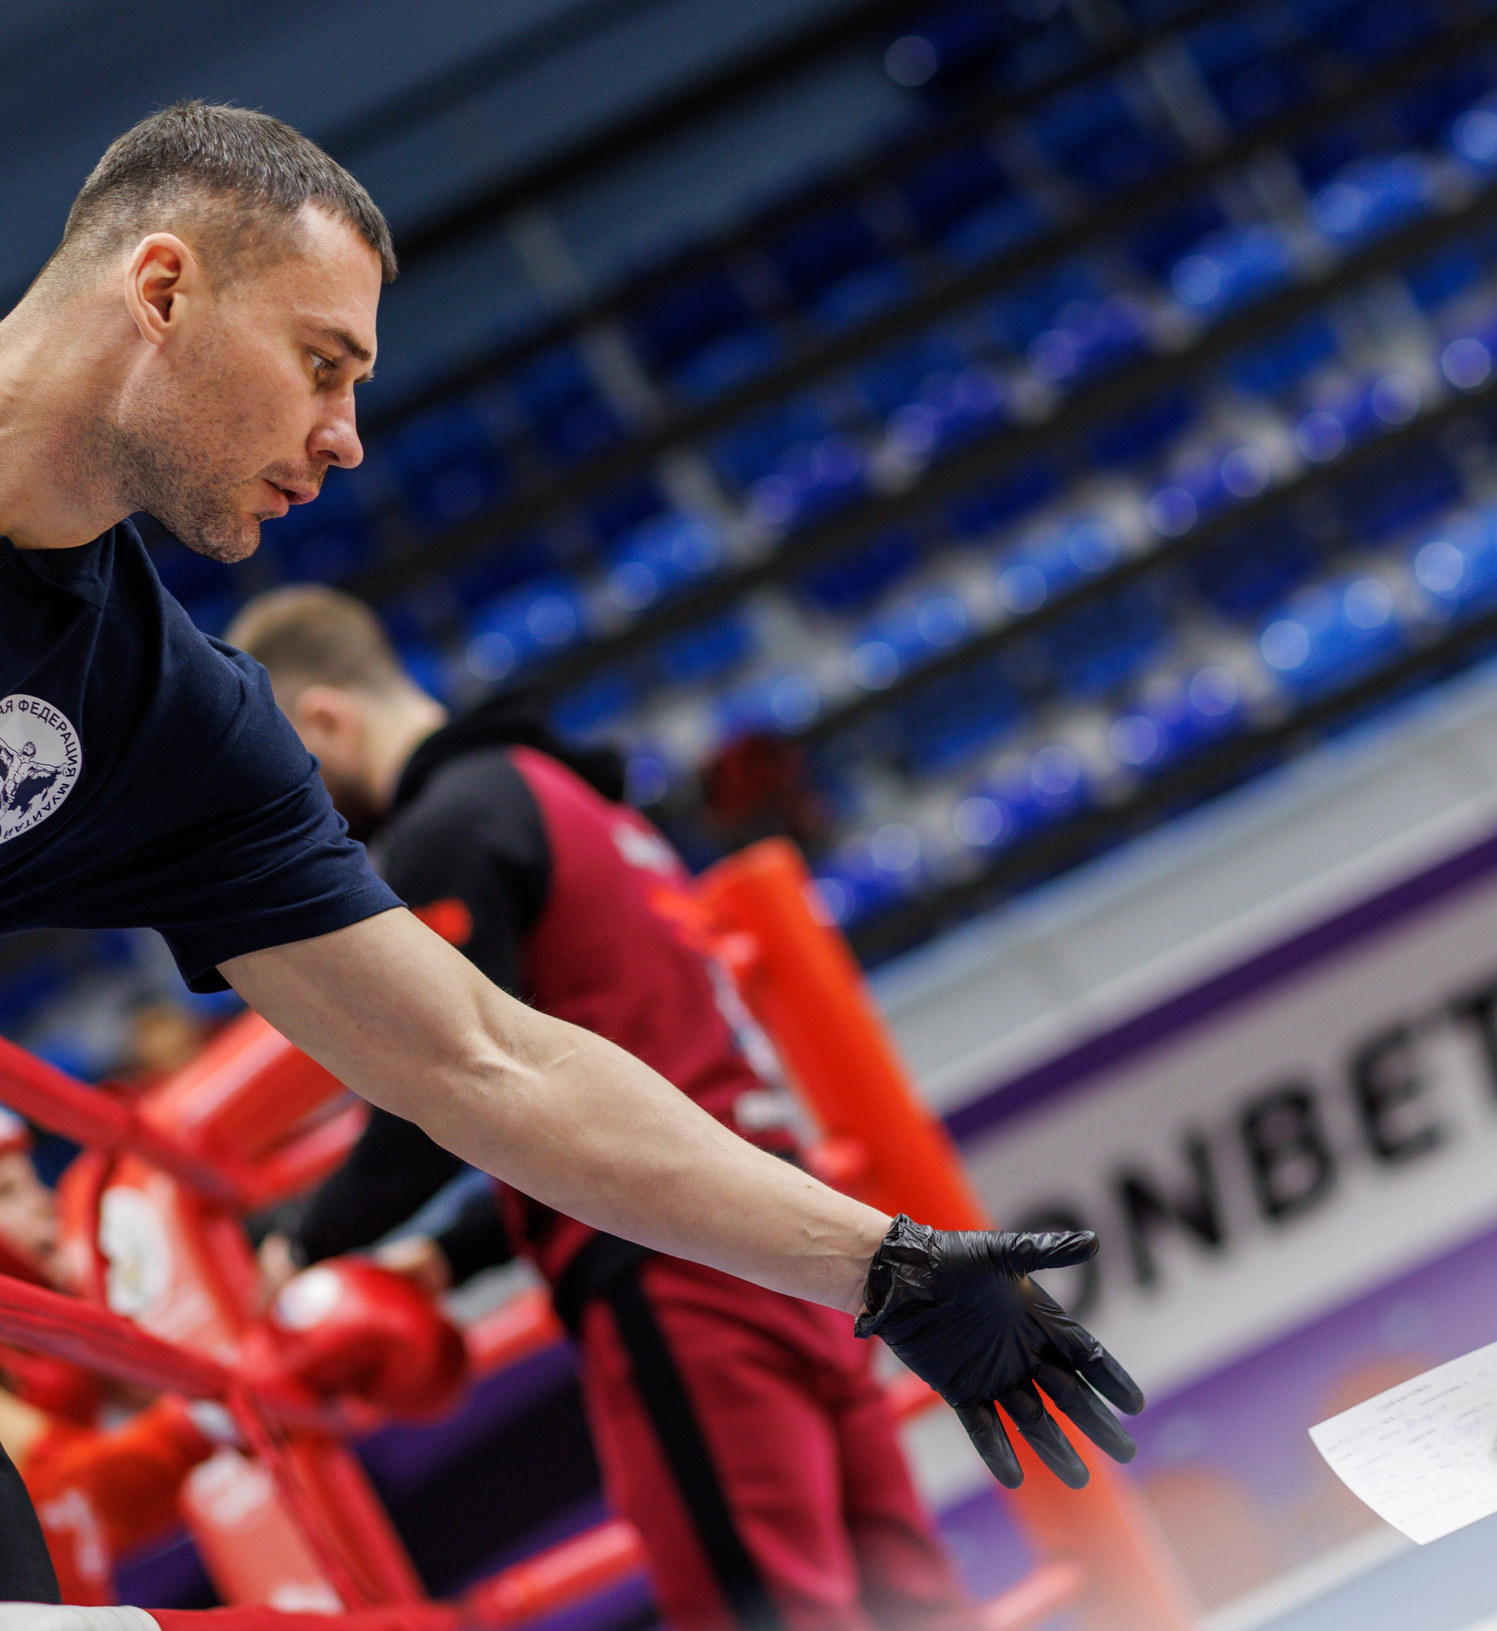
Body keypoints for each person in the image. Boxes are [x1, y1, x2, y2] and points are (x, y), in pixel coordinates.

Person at [0, 100, 1136, 1602]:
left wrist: (874, 1262)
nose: (344, 439)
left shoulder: (171, 710)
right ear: (161, 287)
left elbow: (480, 1056)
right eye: (321, 364)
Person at [228, 584, 1009, 1631]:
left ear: (324, 718)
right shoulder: (568, 793)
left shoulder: (450, 824)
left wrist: (300, 1239)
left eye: (298, 767)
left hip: (684, 1271)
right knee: (908, 1600)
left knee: (769, 1614)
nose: (309, 800)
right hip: (786, 1240)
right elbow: (635, 1059)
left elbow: (447, 1082)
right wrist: (457, 1254)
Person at [0, 1094, 219, 1606]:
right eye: (5, 1192)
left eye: (31, 1181)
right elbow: (62, 1493)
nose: (42, 1202)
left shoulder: (41, 1318)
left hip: (89, 1574)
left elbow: (174, 1372)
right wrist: (199, 1423)